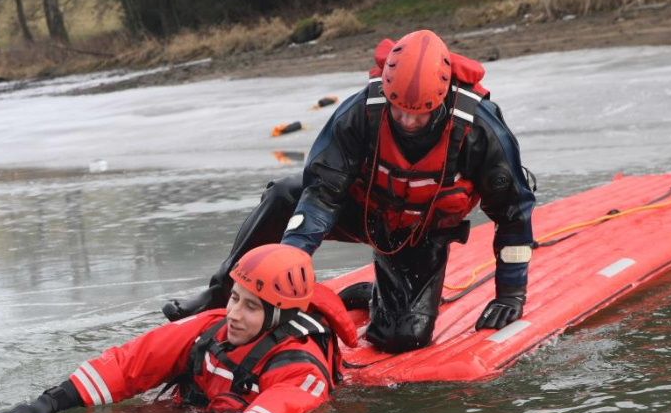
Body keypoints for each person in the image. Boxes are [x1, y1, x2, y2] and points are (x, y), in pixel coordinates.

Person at [163, 29, 535, 354]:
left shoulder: (480, 129)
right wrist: (288, 264)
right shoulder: (361, 112)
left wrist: (511, 293)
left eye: (419, 114)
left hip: (420, 233)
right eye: (399, 110)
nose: (407, 121)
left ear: (442, 99)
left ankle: (376, 298)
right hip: (361, 213)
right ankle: (219, 291)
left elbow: (513, 212)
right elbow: (321, 195)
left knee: (402, 338)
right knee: (285, 193)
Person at [0, 244, 358, 413]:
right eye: (235, 299)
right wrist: (50, 402)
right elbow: (130, 363)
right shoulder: (208, 329)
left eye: (251, 306)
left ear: (280, 317)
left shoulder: (301, 362)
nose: (234, 314)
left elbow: (286, 403)